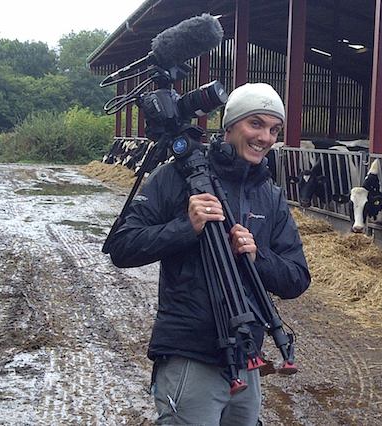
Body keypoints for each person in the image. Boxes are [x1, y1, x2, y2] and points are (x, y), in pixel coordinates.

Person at [108, 82, 310, 425]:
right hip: (190, 354)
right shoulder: (176, 177)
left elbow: (296, 278)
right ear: (230, 125)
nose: (265, 137)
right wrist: (185, 227)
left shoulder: (269, 194)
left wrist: (256, 257)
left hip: (247, 358)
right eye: (256, 124)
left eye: (274, 129)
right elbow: (123, 247)